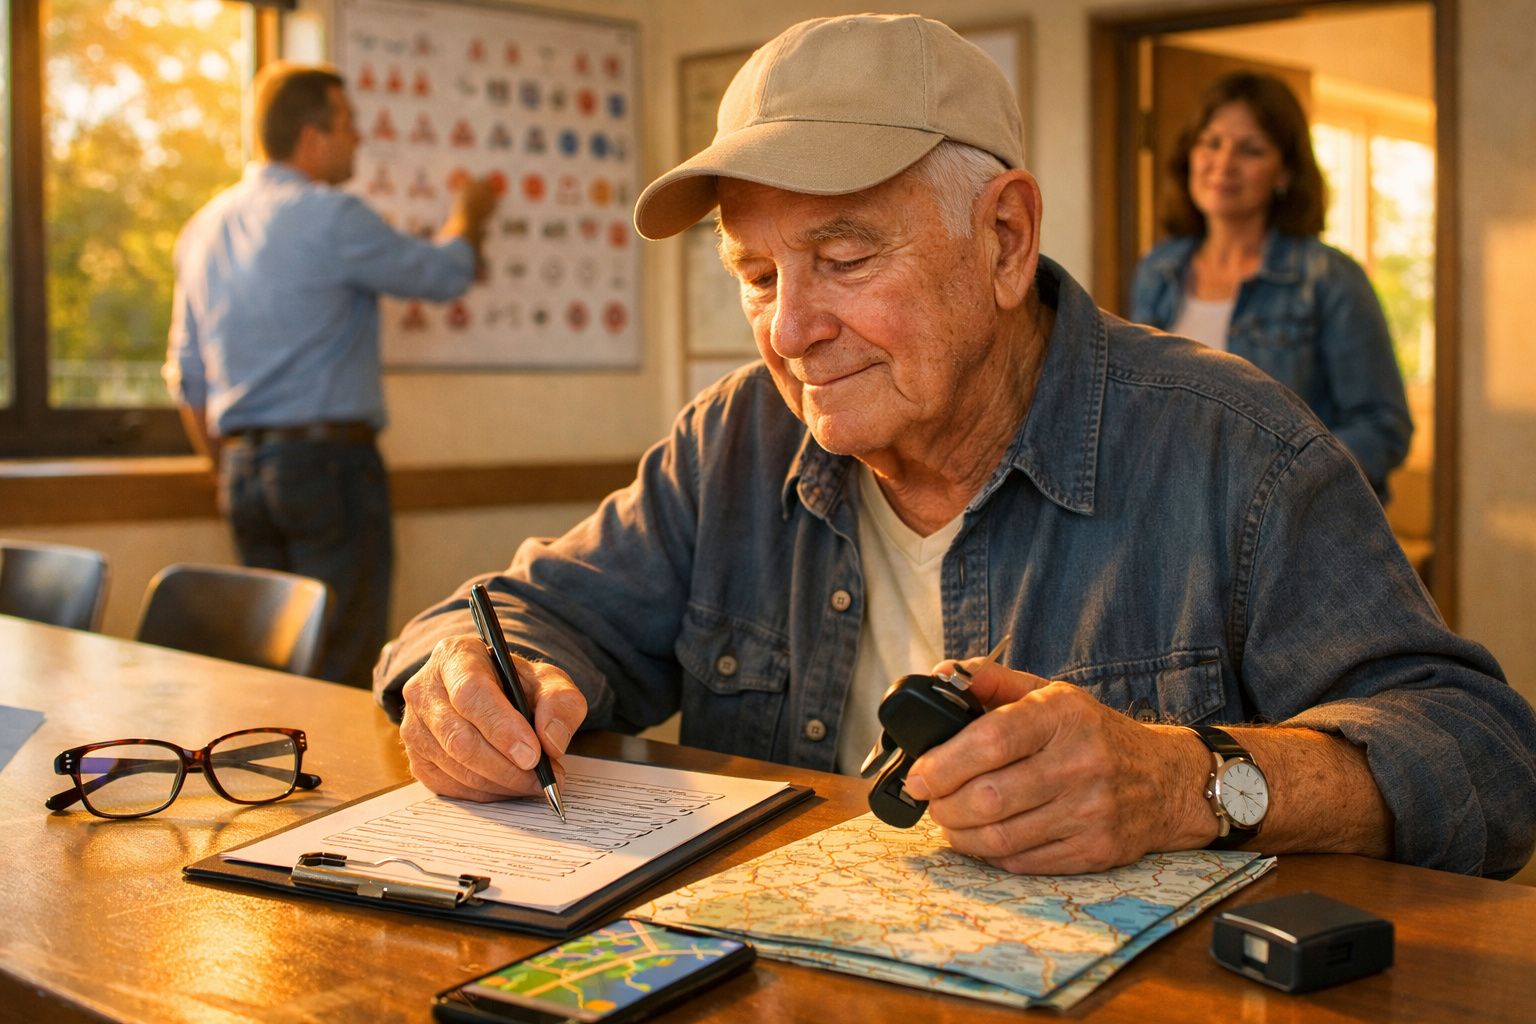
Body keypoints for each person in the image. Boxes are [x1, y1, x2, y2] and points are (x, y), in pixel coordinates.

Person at [374, 15, 1536, 878]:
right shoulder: (736, 436)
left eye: (842, 260)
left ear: (1006, 238)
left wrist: (1188, 781)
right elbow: (512, 613)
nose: (791, 331)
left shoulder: (1234, 448)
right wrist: (467, 682)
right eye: (757, 274)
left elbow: (1482, 757)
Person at [165, 61, 500, 687]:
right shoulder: (329, 214)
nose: (360, 139)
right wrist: (469, 213)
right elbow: (441, 274)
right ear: (312, 138)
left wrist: (224, 468)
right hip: (328, 467)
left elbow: (186, 376)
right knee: (344, 657)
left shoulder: (202, 228)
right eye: (348, 125)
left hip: (241, 470)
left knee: (268, 659)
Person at [1129, 72, 1412, 500]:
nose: (1223, 164)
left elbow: (1383, 425)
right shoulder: (1158, 269)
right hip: (1176, 519)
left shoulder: (1328, 277)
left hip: (1291, 533)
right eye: (1211, 142)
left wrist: (1283, 487)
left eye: (1251, 150)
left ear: (1285, 173)